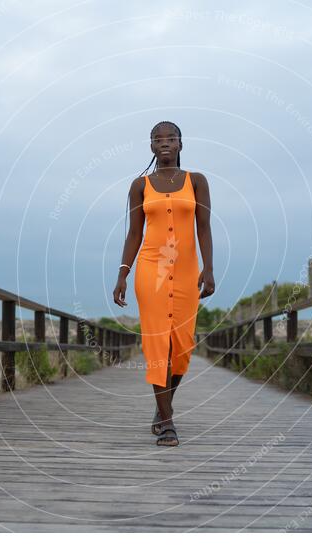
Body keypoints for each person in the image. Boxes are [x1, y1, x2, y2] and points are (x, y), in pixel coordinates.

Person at [113, 121, 215, 446]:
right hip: (151, 271)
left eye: (171, 138)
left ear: (181, 144)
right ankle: (168, 422)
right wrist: (122, 273)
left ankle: (163, 405)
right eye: (159, 139)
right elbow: (133, 234)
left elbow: (204, 229)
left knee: (182, 346)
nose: (165, 143)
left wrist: (209, 268)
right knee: (158, 343)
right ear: (152, 147)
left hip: (186, 270)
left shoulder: (196, 182)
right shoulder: (139, 186)